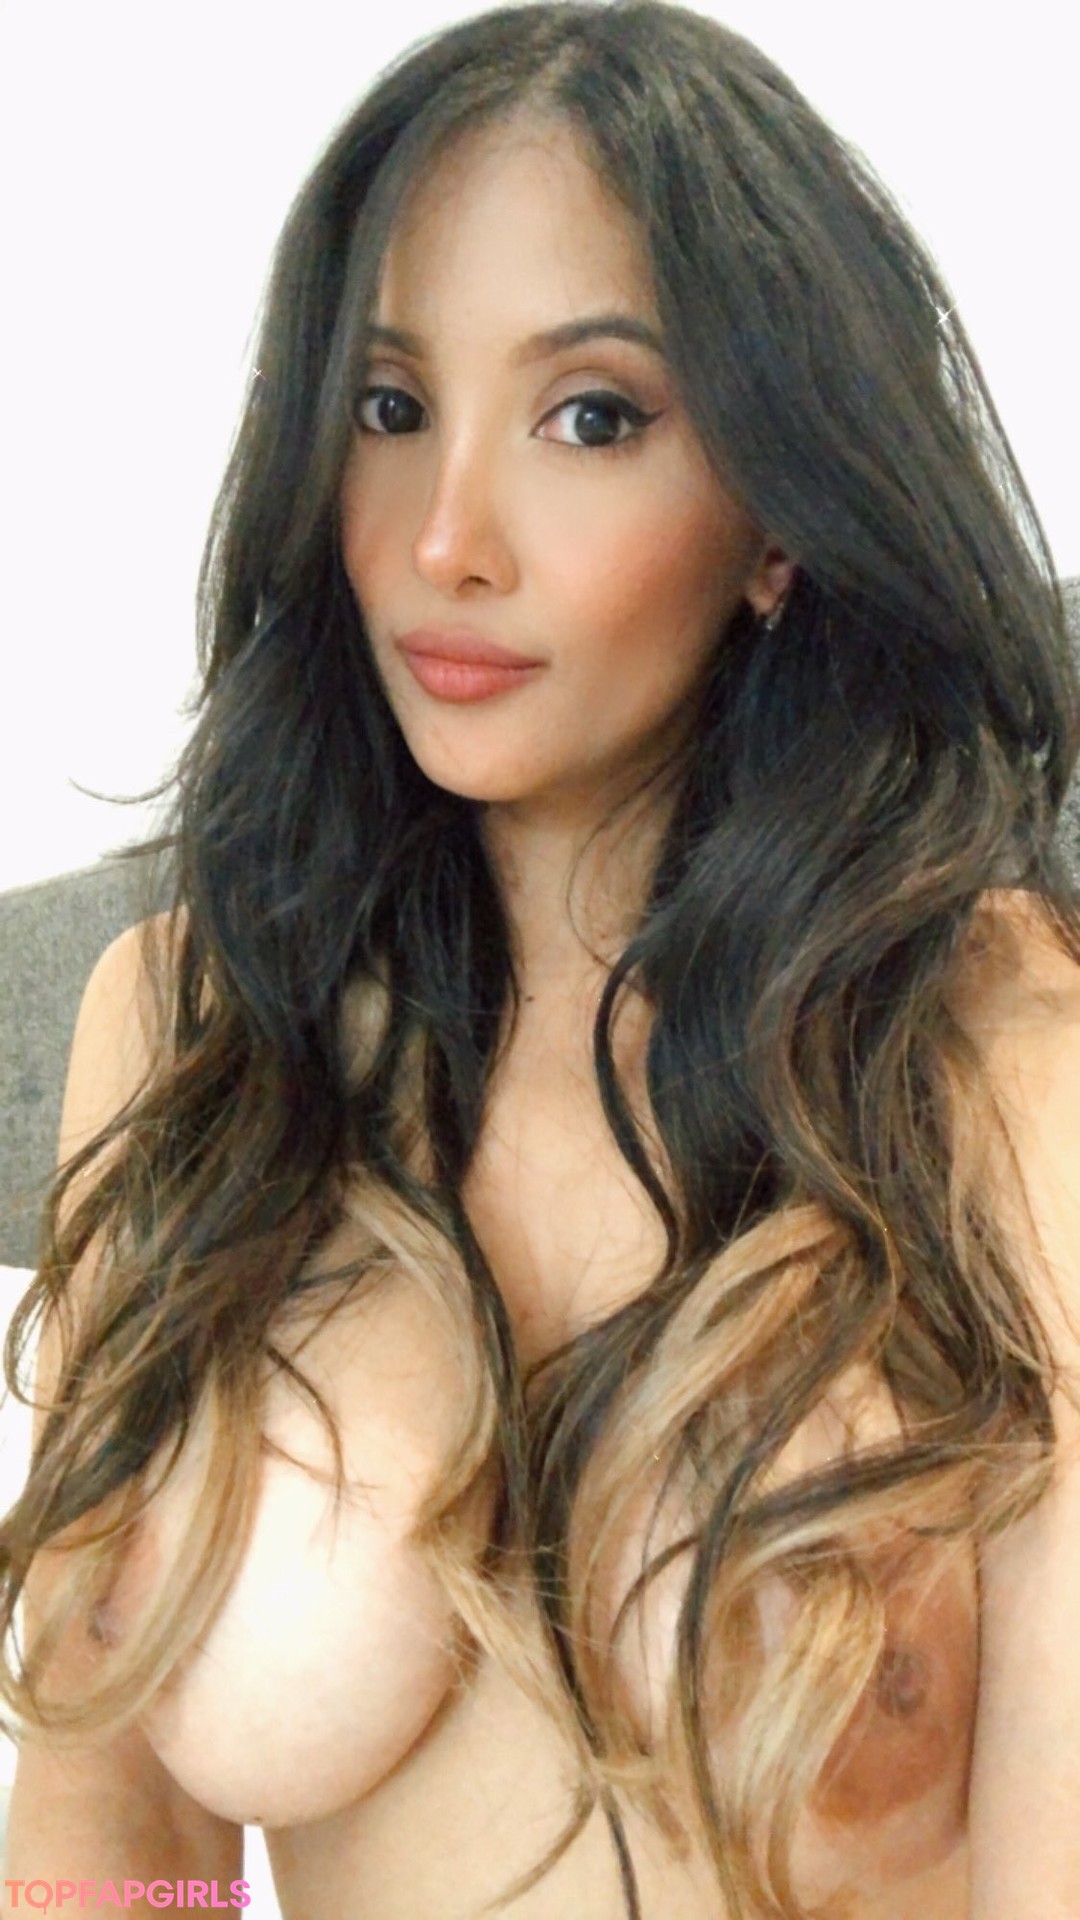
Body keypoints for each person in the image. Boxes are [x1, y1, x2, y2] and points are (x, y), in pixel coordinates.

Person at [2, 3, 1079, 1915]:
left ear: (778, 517)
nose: (448, 540)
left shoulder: (998, 1060)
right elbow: (121, 1844)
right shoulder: (187, 1029)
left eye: (592, 416)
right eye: (388, 408)